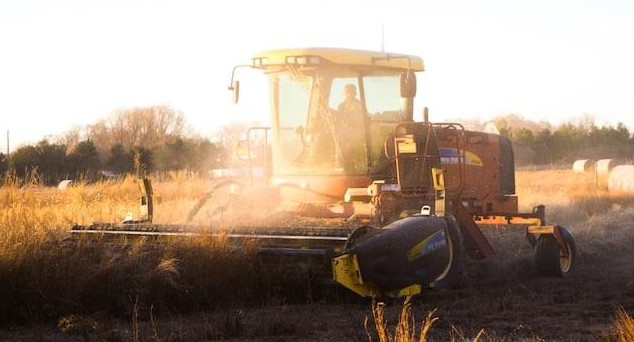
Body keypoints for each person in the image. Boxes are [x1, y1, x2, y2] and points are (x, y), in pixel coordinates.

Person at [335, 83, 367, 173]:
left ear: (355, 93)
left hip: (357, 138)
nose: (349, 94)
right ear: (344, 93)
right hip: (343, 138)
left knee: (358, 162)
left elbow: (365, 119)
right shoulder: (341, 106)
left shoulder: (360, 105)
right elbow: (337, 121)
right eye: (347, 92)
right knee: (344, 160)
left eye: (351, 92)